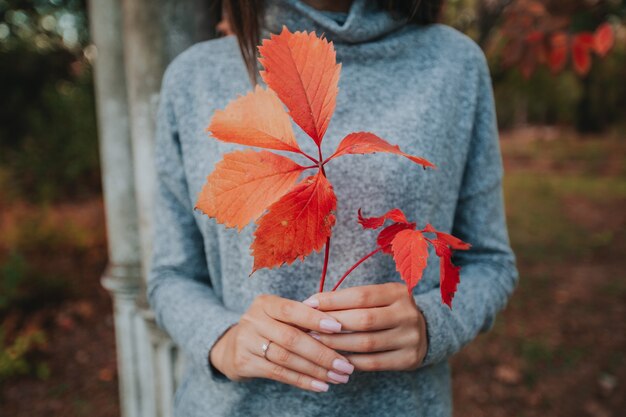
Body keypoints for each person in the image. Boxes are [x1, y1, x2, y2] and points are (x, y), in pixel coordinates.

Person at [147, 0, 519, 416]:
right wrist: (223, 339)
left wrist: (433, 325)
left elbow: (491, 262)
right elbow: (170, 276)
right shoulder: (194, 76)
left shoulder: (455, 64)